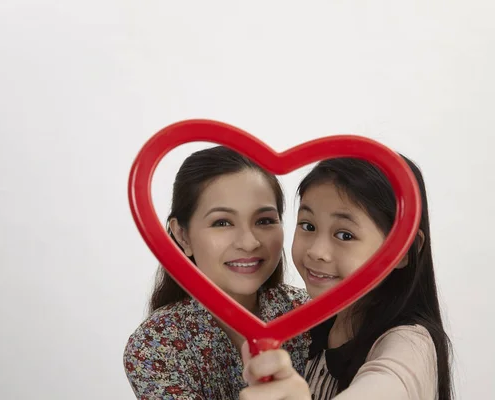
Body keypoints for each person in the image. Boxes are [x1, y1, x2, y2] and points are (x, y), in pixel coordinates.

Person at [239, 155, 454, 400]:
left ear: (405, 250)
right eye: (308, 226)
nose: (316, 252)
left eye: (345, 235)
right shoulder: (310, 325)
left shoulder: (410, 345)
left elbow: (387, 386)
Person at [123, 146, 310, 399]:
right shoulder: (155, 346)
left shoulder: (312, 316)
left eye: (264, 220)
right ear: (182, 235)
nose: (249, 242)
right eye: (222, 222)